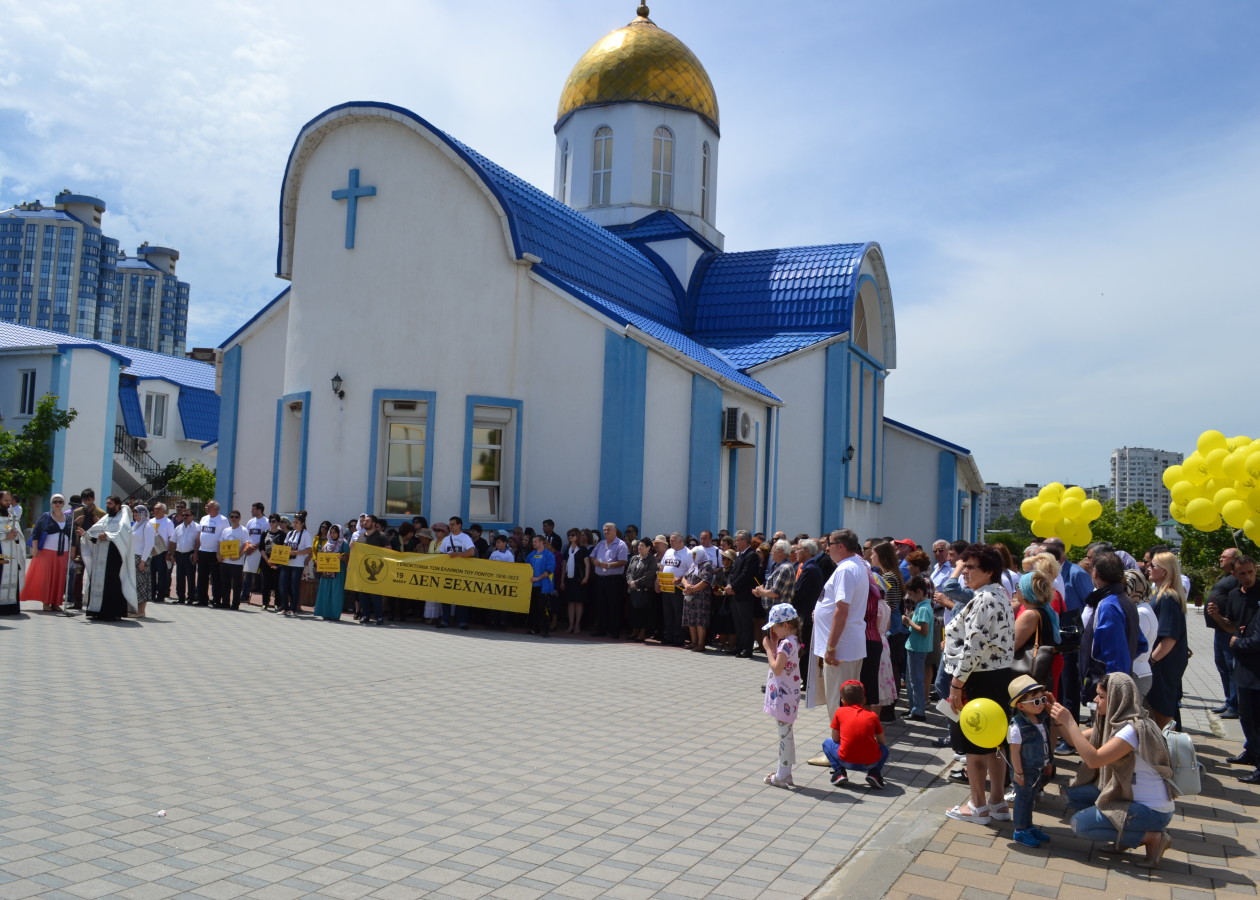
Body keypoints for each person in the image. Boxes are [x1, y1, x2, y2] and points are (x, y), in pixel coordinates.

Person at [1051, 672, 1176, 868]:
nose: (1095, 700)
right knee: (1073, 795)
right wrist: (1054, 713)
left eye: (1101, 696)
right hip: (1133, 800)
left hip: (1152, 812)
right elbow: (1074, 740)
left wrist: (1069, 721)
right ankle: (1124, 837)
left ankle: (1152, 837)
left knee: (1080, 825)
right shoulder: (1117, 724)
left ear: (1117, 699)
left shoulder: (1132, 730)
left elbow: (1094, 760)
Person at [942, 543, 1015, 825]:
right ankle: (996, 802)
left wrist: (957, 685)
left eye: (971, 567)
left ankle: (977, 806)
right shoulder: (997, 594)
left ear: (989, 571)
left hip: (978, 678)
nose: (964, 573)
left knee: (975, 747)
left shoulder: (986, 598)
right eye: (964, 566)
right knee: (994, 744)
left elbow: (975, 646)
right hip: (994, 677)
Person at [810, 529, 869, 719]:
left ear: (841, 546)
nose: (826, 549)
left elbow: (842, 610)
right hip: (849, 644)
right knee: (848, 699)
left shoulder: (845, 569)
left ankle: (841, 741)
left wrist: (831, 646)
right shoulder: (856, 564)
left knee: (838, 700)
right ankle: (846, 739)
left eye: (830, 544)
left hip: (841, 647)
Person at [1080, 551, 1143, 702]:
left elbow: (1115, 654)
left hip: (1107, 689)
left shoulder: (1109, 605)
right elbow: (1141, 644)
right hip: (1114, 683)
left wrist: (1109, 691)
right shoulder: (1125, 600)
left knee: (1107, 725)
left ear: (1095, 573)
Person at [1219, 557, 1260, 782]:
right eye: (1242, 573)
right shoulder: (1234, 595)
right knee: (1245, 714)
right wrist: (1217, 617)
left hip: (1256, 661)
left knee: (1256, 716)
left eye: (1250, 572)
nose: (1247, 577)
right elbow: (1231, 625)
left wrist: (1239, 642)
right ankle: (1252, 751)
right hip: (1242, 662)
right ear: (1234, 574)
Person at [1007, 675, 1053, 847]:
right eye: (1035, 701)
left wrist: (1048, 763)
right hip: (1024, 770)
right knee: (1022, 799)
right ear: (1020, 706)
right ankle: (1019, 830)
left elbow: (1045, 745)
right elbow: (1015, 753)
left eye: (1042, 699)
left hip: (1038, 769)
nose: (1041, 704)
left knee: (1031, 799)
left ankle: (1028, 826)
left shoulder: (1040, 720)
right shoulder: (1017, 727)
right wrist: (1018, 773)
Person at [1143, 551, 1188, 730]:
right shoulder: (1161, 593)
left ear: (1165, 571)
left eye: (1153, 565)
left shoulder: (1167, 597)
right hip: (1163, 663)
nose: (1148, 568)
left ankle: (1168, 752)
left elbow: (1169, 637)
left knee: (1162, 712)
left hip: (1163, 664)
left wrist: (1151, 660)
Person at [761, 603, 804, 788]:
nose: (773, 630)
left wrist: (769, 649)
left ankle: (781, 774)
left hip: (783, 696)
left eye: (774, 626)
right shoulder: (793, 640)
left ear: (785, 625)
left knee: (784, 735)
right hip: (789, 694)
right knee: (787, 733)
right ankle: (786, 773)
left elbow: (777, 668)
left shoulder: (786, 644)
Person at [822, 680, 888, 789]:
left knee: (826, 743)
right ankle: (874, 774)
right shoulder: (872, 715)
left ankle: (839, 772)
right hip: (869, 763)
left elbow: (835, 738)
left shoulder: (840, 712)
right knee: (884, 749)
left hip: (845, 760)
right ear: (864, 700)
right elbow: (882, 741)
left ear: (843, 701)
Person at [82, 496, 136, 621]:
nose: (108, 505)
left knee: (112, 583)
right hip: (100, 555)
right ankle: (97, 611)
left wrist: (107, 536)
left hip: (114, 557)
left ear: (117, 505)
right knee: (99, 582)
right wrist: (86, 534)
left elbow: (123, 535)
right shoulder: (106, 518)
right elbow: (95, 532)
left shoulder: (122, 519)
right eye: (107, 503)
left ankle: (113, 612)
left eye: (110, 503)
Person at [21, 493, 73, 612]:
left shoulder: (68, 518)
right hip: (47, 551)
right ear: (51, 504)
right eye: (55, 502)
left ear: (63, 504)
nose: (57, 504)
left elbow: (72, 535)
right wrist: (34, 548)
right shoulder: (46, 516)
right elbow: (36, 532)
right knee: (47, 577)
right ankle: (46, 602)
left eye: (60, 502)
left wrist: (73, 550)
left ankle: (56, 602)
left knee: (59, 578)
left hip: (63, 551)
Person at [902, 575, 934, 721]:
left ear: (920, 592)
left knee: (916, 680)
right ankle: (915, 708)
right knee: (913, 679)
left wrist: (909, 622)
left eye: (912, 594)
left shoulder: (923, 608)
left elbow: (923, 630)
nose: (910, 597)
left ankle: (918, 710)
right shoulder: (923, 606)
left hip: (917, 648)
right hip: (916, 647)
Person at [590, 522, 628, 639]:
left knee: (614, 605)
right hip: (600, 578)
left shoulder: (621, 545)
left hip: (613, 579)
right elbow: (592, 556)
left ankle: (614, 630)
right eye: (604, 530)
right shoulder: (601, 543)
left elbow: (623, 561)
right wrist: (594, 561)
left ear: (614, 531)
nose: (606, 532)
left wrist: (609, 565)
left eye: (608, 530)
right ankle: (601, 628)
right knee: (601, 605)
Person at [437, 516, 476, 629]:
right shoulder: (446, 539)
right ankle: (445, 620)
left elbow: (471, 552)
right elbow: (442, 555)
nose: (451, 526)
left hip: (461, 572)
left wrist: (457, 555)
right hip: (448, 572)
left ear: (459, 525)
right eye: (450, 524)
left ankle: (462, 621)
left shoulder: (465, 538)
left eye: (453, 524)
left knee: (461, 597)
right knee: (445, 596)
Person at [1126, 569, 1158, 698]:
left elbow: (1135, 644)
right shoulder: (1141, 607)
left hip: (1137, 672)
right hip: (1137, 670)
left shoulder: (1140, 612)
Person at [657, 532, 691, 647]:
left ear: (680, 541)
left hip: (678, 588)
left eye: (672, 540)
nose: (670, 542)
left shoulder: (688, 553)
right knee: (667, 614)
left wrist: (680, 579)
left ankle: (678, 638)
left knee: (678, 614)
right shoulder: (669, 551)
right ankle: (668, 636)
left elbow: (690, 571)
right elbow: (662, 566)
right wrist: (657, 581)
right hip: (666, 587)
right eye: (670, 540)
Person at [680, 543, 714, 653]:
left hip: (701, 598)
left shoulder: (707, 565)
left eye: (695, 555)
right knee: (691, 620)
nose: (693, 557)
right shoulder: (694, 565)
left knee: (700, 621)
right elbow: (684, 577)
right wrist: (687, 586)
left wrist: (692, 589)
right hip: (691, 597)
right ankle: (693, 642)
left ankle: (700, 644)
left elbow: (706, 580)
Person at [195, 500, 229, 606]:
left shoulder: (223, 520)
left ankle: (216, 599)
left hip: (215, 553)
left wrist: (221, 553)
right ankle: (202, 599)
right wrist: (196, 551)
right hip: (203, 551)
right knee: (202, 577)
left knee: (216, 578)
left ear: (215, 508)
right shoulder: (204, 518)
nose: (206, 508)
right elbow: (199, 534)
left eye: (209, 506)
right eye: (206, 506)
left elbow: (226, 536)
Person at [313, 524, 350, 621]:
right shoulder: (327, 543)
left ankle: (334, 614)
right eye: (331, 533)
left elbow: (349, 557)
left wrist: (342, 557)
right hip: (326, 571)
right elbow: (322, 554)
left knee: (336, 592)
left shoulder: (344, 543)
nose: (333, 535)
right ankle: (325, 613)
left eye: (335, 533)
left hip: (338, 572)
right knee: (325, 591)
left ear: (339, 533)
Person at [278, 513, 312, 617]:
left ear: (302, 523)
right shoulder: (290, 533)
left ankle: (293, 609)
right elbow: (285, 545)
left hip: (297, 564)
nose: (294, 524)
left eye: (297, 522)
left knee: (294, 586)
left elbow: (309, 549)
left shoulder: (306, 534)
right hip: (287, 562)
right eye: (294, 522)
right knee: (283, 585)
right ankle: (284, 607)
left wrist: (296, 552)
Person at [559, 528, 591, 635]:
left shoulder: (583, 549)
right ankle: (571, 624)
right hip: (569, 579)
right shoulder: (567, 549)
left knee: (578, 602)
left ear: (577, 536)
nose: (570, 536)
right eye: (569, 535)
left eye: (573, 534)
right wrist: (562, 581)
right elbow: (564, 566)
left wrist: (586, 577)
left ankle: (577, 624)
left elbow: (587, 564)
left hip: (579, 579)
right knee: (570, 603)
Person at [625, 537, 657, 642]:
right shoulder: (634, 558)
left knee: (643, 612)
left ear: (648, 548)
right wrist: (630, 581)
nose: (639, 547)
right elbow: (628, 571)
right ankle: (635, 630)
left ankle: (642, 633)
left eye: (642, 546)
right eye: (639, 545)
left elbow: (650, 574)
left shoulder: (651, 559)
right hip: (633, 590)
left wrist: (637, 582)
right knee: (633, 611)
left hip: (644, 590)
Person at [0, 491, 26, 615]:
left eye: (10, 500)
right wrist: (5, 536)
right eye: (6, 501)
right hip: (1, 550)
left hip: (11, 551)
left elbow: (18, 532)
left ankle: (10, 606)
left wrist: (16, 535)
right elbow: (5, 533)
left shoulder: (11, 514)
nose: (9, 503)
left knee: (12, 575)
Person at [217, 510, 248, 609]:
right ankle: (225, 602)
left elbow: (247, 544)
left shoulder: (243, 530)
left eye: (236, 517)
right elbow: (220, 543)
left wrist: (239, 555)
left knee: (236, 584)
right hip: (225, 561)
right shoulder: (226, 530)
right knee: (224, 583)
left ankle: (235, 604)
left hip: (237, 563)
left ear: (239, 518)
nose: (233, 519)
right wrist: (218, 554)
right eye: (232, 517)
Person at [527, 533, 555, 636]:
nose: (533, 543)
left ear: (541, 542)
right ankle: (535, 628)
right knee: (534, 608)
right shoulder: (531, 554)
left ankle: (545, 630)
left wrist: (538, 578)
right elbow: (526, 567)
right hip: (532, 586)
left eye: (535, 541)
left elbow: (550, 570)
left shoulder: (549, 555)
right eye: (533, 541)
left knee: (543, 608)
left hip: (543, 586)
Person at [131, 504, 156, 618]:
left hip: (142, 558)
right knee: (135, 584)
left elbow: (149, 545)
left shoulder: (148, 526)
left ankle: (141, 611)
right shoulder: (136, 525)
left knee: (142, 584)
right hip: (134, 556)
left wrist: (143, 561)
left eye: (137, 515)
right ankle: (135, 609)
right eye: (134, 515)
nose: (135, 517)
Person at [241, 502, 268, 604]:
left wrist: (255, 546)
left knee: (262, 575)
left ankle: (265, 599)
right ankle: (244, 595)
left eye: (253, 509)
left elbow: (265, 538)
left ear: (259, 510)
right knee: (247, 574)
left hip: (260, 551)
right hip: (250, 551)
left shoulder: (266, 522)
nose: (251, 511)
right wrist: (248, 547)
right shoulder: (250, 522)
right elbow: (247, 536)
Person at [172, 506, 199, 604]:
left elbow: (198, 542)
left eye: (187, 515)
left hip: (190, 555)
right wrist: (173, 555)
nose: (184, 517)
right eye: (183, 515)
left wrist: (196, 553)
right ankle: (181, 598)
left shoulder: (197, 527)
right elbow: (173, 541)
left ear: (192, 516)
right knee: (180, 577)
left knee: (191, 577)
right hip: (179, 554)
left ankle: (191, 598)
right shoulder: (178, 527)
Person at [150, 502, 175, 601]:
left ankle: (160, 596)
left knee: (162, 575)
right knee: (151, 575)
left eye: (158, 509)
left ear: (164, 511)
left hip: (162, 552)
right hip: (151, 552)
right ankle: (151, 594)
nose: (156, 510)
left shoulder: (168, 522)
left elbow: (171, 538)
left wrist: (169, 552)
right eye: (155, 508)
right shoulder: (150, 521)